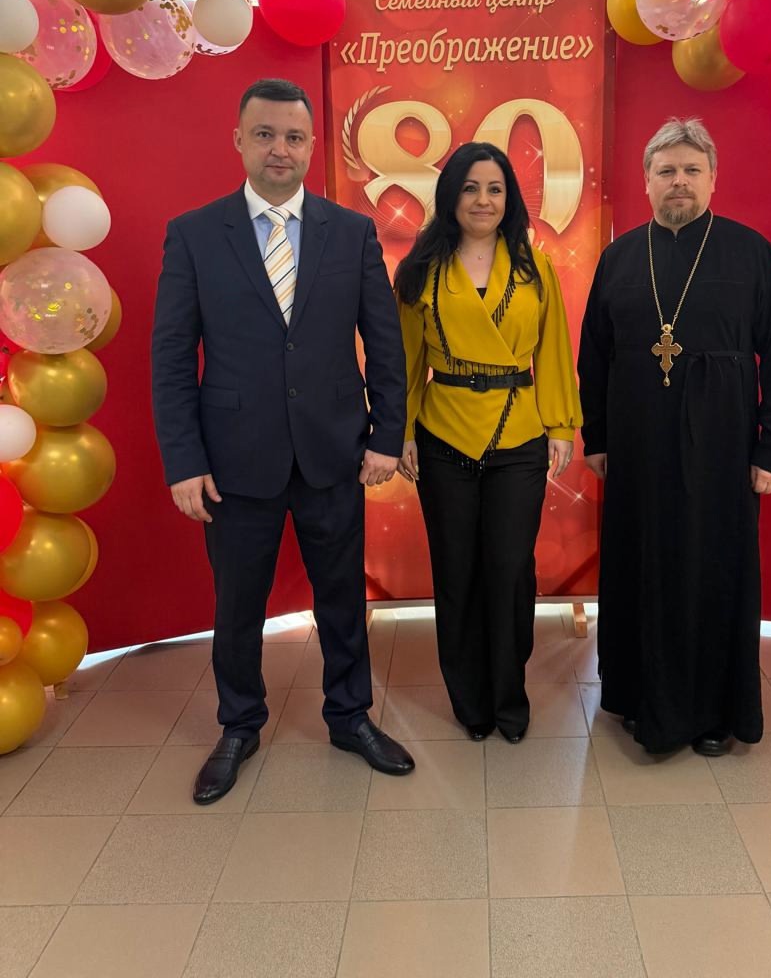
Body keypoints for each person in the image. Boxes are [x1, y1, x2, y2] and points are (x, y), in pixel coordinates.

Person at [151, 77, 414, 804]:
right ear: (239, 140)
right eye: (265, 134)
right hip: (232, 461)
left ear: (312, 146)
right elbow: (171, 357)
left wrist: (386, 435)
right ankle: (239, 725)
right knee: (238, 606)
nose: (280, 149)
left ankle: (349, 716)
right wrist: (183, 461)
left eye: (294, 137)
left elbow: (384, 345)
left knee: (342, 598)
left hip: (335, 450)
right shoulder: (195, 234)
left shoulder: (351, 233)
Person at [578, 117, 771, 757]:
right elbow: (594, 356)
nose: (679, 181)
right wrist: (597, 437)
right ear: (646, 181)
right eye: (666, 171)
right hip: (637, 444)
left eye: (691, 170)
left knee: (711, 568)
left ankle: (710, 711)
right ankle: (636, 694)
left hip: (723, 446)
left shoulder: (750, 252)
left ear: (712, 180)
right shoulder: (620, 257)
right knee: (640, 563)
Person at [395, 142, 582, 743]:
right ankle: (469, 698)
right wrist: (399, 431)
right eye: (470, 188)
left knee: (509, 570)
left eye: (495, 188)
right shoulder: (421, 268)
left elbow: (553, 348)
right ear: (450, 195)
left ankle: (507, 693)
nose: (483, 200)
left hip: (518, 434)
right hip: (443, 433)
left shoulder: (534, 265)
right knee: (456, 570)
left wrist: (560, 424)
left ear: (510, 198)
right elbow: (405, 360)